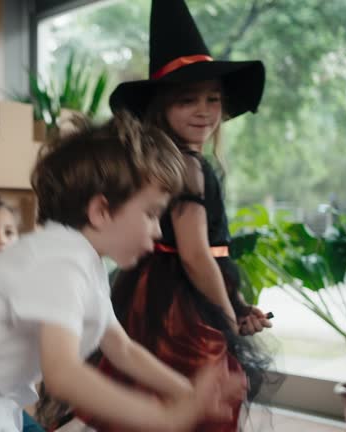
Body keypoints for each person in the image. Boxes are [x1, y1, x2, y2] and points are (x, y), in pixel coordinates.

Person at [0, 113, 248, 431]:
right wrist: (162, 418)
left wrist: (186, 392)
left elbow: (122, 349)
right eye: (151, 214)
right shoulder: (59, 261)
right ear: (101, 212)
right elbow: (63, 373)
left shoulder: (85, 261)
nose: (159, 231)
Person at [86, 1, 273, 431]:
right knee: (196, 406)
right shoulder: (189, 166)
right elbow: (195, 255)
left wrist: (238, 304)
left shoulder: (173, 161)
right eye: (187, 100)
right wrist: (228, 325)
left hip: (159, 298)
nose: (204, 111)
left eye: (213, 99)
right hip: (178, 309)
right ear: (161, 110)